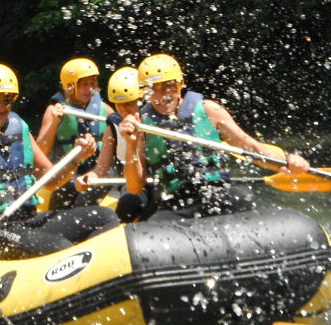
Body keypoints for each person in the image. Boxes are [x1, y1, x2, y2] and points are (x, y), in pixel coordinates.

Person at [0, 63, 119, 259]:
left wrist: (76, 160)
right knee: (60, 247)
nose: (2, 107)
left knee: (105, 217)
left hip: (28, 218)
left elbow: (52, 180)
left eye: (8, 100)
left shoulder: (20, 129)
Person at [118, 53, 310, 221]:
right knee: (156, 224)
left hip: (218, 195)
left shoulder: (209, 110)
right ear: (144, 92)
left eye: (168, 86)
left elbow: (253, 149)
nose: (162, 95)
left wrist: (286, 161)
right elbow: (135, 187)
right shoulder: (141, 124)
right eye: (153, 89)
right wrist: (131, 145)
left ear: (180, 84)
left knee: (242, 197)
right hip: (178, 204)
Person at [35, 57, 116, 210]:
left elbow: (120, 138)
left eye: (92, 83)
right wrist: (53, 123)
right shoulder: (55, 109)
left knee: (105, 176)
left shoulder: (103, 108)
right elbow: (41, 152)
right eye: (84, 84)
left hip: (96, 169)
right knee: (68, 186)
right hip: (67, 170)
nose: (90, 89)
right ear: (70, 86)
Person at [76, 66, 154, 222]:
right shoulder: (112, 130)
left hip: (159, 181)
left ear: (141, 100)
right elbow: (100, 169)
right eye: (119, 105)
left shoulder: (155, 123)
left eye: (129, 103)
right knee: (128, 205)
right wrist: (87, 178)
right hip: (134, 185)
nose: (124, 110)